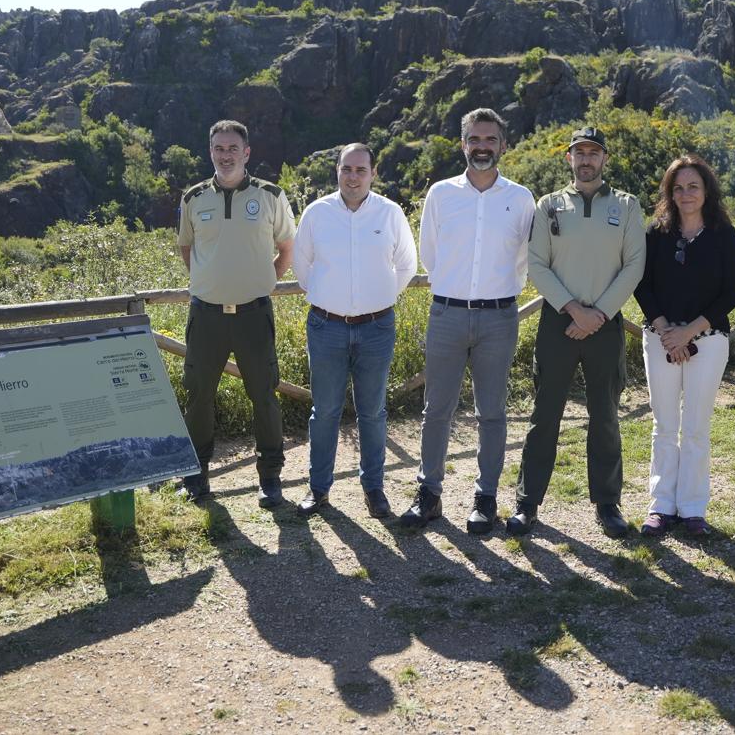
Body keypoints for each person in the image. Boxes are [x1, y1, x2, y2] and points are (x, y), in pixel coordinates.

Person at [399, 109, 535, 534]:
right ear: (463, 144)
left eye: (490, 139)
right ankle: (429, 495)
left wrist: (496, 290)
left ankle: (485, 498)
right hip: (447, 313)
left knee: (491, 412)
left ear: (503, 145)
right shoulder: (441, 194)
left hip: (499, 317)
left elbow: (525, 258)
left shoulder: (522, 197)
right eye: (474, 139)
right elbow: (430, 253)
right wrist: (457, 290)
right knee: (436, 409)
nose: (482, 146)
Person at [509, 126, 646, 539]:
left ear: (605, 159)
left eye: (594, 152)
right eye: (579, 152)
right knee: (544, 415)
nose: (586, 159)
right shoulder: (548, 205)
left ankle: (608, 504)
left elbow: (634, 265)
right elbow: (538, 264)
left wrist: (599, 313)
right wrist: (572, 309)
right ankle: (527, 503)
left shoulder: (627, 205)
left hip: (606, 323)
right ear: (568, 158)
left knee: (605, 415)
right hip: (558, 320)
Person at [292, 143, 418, 519]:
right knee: (325, 411)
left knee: (373, 412)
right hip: (326, 326)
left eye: (361, 170)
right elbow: (302, 267)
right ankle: (319, 489)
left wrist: (377, 299)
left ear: (373, 173)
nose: (353, 176)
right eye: (347, 169)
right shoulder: (317, 213)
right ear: (337, 171)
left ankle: (374, 488)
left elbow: (406, 265)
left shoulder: (390, 213)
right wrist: (332, 298)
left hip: (377, 327)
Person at [175, 119, 297, 508]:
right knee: (198, 396)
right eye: (218, 148)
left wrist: (264, 283)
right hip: (206, 316)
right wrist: (211, 284)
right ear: (209, 151)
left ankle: (270, 478)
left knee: (263, 394)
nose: (225, 155)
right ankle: (196, 476)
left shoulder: (270, 195)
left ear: (247, 153)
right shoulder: (193, 198)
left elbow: (287, 249)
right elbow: (187, 250)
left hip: (253, 315)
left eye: (232, 148)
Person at [632, 155, 735, 538]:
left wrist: (688, 333)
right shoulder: (655, 233)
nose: (685, 194)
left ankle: (693, 508)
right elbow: (642, 285)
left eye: (693, 186)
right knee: (664, 425)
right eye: (678, 188)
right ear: (669, 193)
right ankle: (661, 506)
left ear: (707, 190)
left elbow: (731, 294)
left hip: (708, 342)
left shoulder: (724, 233)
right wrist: (667, 331)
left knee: (696, 427)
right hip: (660, 337)